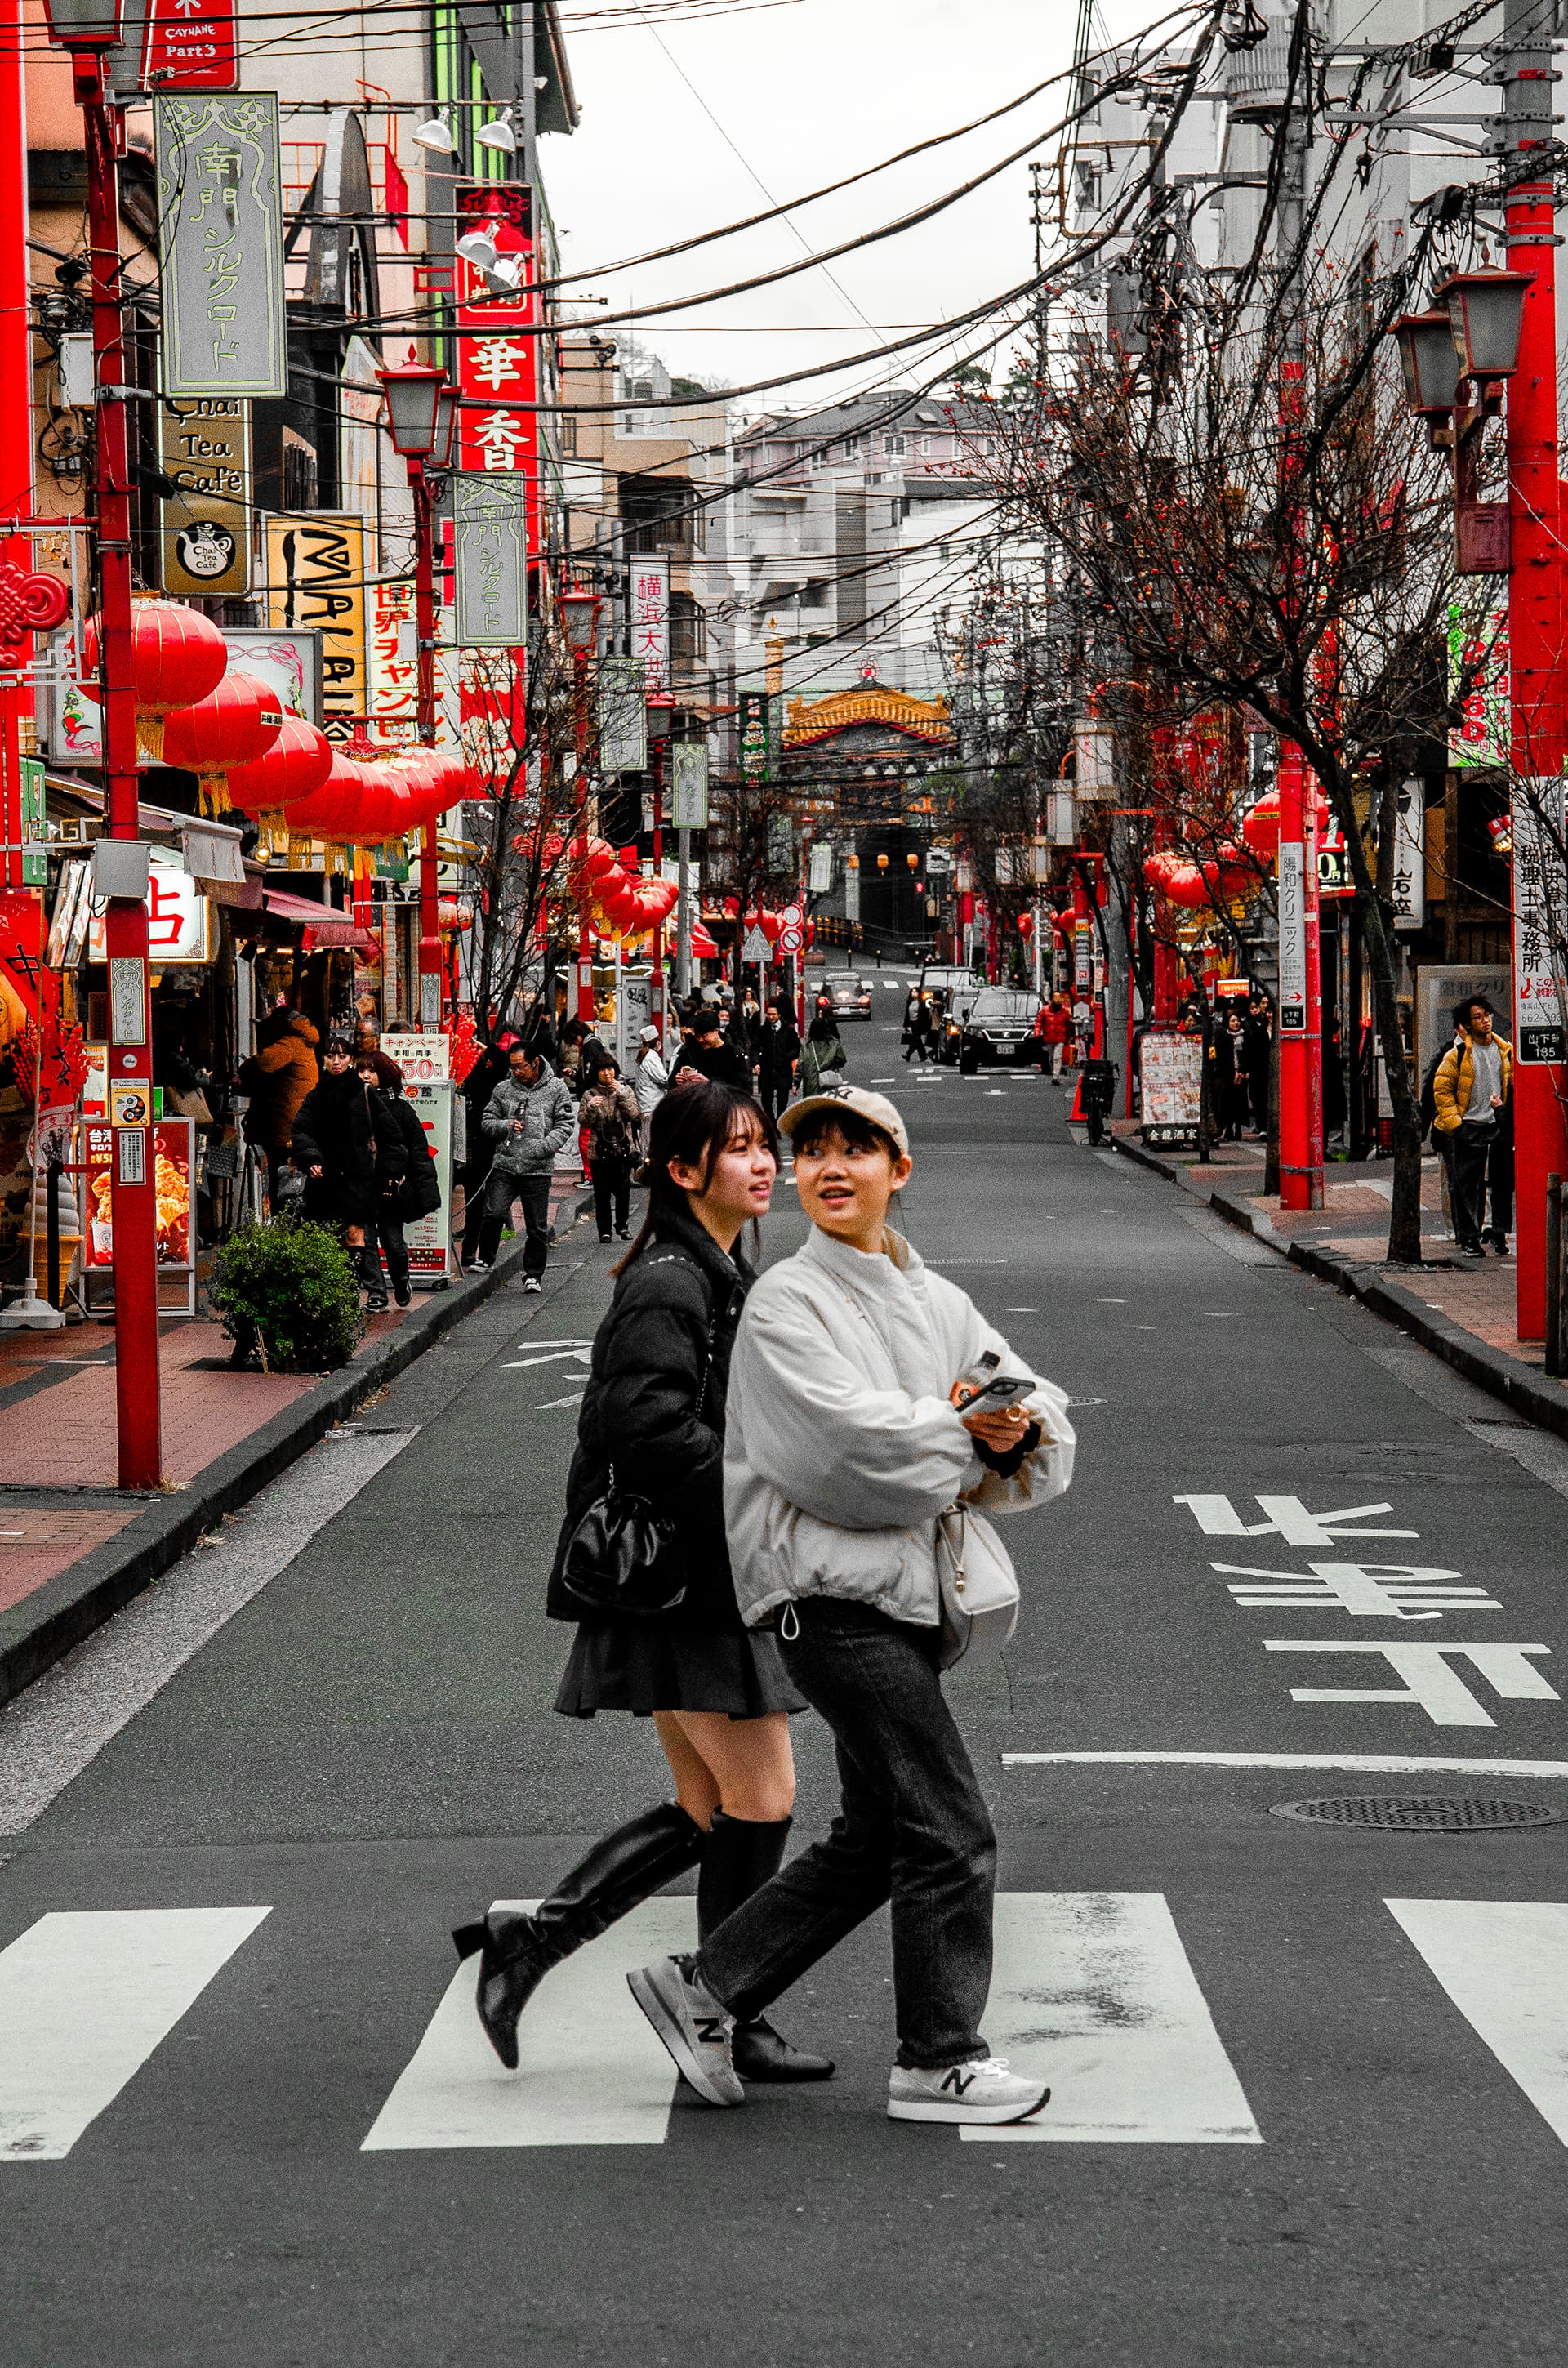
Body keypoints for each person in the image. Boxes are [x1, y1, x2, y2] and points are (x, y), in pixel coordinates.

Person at [627, 1085, 1075, 2124]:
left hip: (895, 1599)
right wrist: (968, 1434)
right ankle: (938, 2056)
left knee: (880, 1833)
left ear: (898, 1171)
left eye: (856, 1150)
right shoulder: (785, 1301)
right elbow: (844, 1451)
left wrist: (1013, 1428)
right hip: (828, 1599)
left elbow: (1034, 1403)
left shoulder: (939, 1301)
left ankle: (705, 1988)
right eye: (814, 1151)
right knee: (952, 1825)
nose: (831, 1168)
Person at [452, 1079, 830, 2086]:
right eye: (739, 1148)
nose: (763, 1164)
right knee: (766, 1793)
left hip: (682, 1574)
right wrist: (768, 1476)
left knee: (711, 1805)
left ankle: (542, 1949)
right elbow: (646, 1428)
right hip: (686, 1578)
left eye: (763, 1146)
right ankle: (717, 2003)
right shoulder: (674, 1278)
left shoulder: (710, 1266)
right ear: (680, 1168)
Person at [474, 1041, 577, 1290]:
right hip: (506, 1163)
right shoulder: (503, 1089)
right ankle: (486, 1257)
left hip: (537, 1168)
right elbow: (487, 1121)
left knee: (537, 1226)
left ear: (535, 1063)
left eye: (520, 1067)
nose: (516, 1072)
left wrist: (544, 1146)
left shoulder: (556, 1089)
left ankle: (533, 1274)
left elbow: (565, 1123)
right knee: (494, 1212)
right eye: (512, 1068)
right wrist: (505, 1125)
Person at [290, 1037, 381, 1298]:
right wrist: (312, 1159)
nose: (337, 1061)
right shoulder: (315, 1095)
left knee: (356, 1232)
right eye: (331, 1056)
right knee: (328, 1235)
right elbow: (300, 1131)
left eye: (342, 1056)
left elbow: (388, 1131)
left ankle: (351, 1288)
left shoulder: (364, 1093)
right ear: (323, 1061)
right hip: (325, 1178)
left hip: (358, 1176)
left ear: (351, 1060)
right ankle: (338, 1288)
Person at [1432, 995, 1514, 1258]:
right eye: (1477, 1017)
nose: (1485, 1021)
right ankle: (1470, 1238)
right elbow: (1441, 1090)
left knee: (1502, 1183)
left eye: (1487, 1015)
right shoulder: (1456, 1055)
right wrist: (1456, 1125)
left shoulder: (1507, 1051)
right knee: (1468, 1185)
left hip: (1497, 1124)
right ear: (1467, 1025)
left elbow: (1514, 1087)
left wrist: (1504, 1111)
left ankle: (1499, 1233)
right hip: (1469, 1125)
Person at [359, 1055, 440, 1308]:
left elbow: (418, 1152)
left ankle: (402, 1280)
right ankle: (376, 1293)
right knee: (367, 1242)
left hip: (391, 1188)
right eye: (361, 1070)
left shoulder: (402, 1110)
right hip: (361, 1188)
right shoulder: (351, 1107)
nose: (365, 1075)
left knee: (393, 1243)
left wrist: (423, 1190)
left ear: (385, 1075)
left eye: (371, 1071)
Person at [237, 1007, 319, 1201]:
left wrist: (244, 1068)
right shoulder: (304, 1041)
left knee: (282, 1174)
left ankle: (284, 1218)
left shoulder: (290, 1043)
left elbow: (262, 1063)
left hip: (287, 1124)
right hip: (298, 1120)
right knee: (288, 1173)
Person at [458, 1031, 519, 1271]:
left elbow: (503, 1063)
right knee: (472, 1200)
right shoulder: (454, 1076)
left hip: (482, 1145)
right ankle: (469, 1251)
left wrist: (487, 1049)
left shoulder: (485, 1077)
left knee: (482, 1201)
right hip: (457, 1146)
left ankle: (473, 1253)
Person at [580, 1054, 643, 1242]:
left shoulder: (625, 1090)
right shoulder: (589, 1094)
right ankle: (604, 1230)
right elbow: (584, 1122)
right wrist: (591, 1107)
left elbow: (633, 1114)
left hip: (623, 1149)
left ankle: (622, 1226)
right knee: (602, 1193)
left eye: (610, 1069)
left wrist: (622, 1094)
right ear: (596, 1073)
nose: (607, 1073)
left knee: (623, 1191)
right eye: (602, 1070)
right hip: (599, 1150)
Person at [673, 1009, 752, 1091]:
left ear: (716, 1031)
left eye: (704, 1036)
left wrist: (709, 1084)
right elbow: (672, 1082)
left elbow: (741, 1089)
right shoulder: (690, 1051)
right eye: (697, 1036)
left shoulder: (734, 1055)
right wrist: (679, 1081)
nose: (700, 1040)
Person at [755, 997, 800, 1124]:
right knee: (766, 1099)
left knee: (782, 1099)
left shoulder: (788, 1030)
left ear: (779, 1015)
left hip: (783, 1070)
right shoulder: (762, 1030)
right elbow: (755, 1047)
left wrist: (787, 1056)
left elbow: (797, 1048)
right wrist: (756, 1062)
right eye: (769, 1014)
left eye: (774, 1014)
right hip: (767, 1070)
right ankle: (771, 1121)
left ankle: (779, 1120)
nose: (771, 1017)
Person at [797, 1002, 847, 1098]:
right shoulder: (833, 1044)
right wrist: (833, 1066)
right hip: (829, 1081)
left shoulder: (807, 1046)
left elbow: (801, 1065)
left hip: (811, 1084)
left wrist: (796, 1083)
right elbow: (842, 1060)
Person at [1244, 997, 1272, 1137]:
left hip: (1275, 1071)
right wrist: (1247, 1069)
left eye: (1273, 1012)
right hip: (1260, 1070)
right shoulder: (1258, 1029)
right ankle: (1263, 1127)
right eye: (1268, 1012)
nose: (1271, 1015)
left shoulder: (1281, 1031)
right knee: (1260, 1099)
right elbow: (1250, 1050)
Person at [353, 1017, 404, 1093]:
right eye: (356, 1035)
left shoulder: (385, 1060)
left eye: (362, 1035)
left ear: (377, 1038)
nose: (357, 1039)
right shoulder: (349, 1058)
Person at [632, 1023, 670, 1122]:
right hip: (652, 1106)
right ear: (657, 1042)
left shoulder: (646, 1055)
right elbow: (663, 1079)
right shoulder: (650, 1057)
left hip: (648, 1106)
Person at [1036, 993, 1069, 1081]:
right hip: (1049, 1038)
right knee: (1051, 1058)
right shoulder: (1045, 1010)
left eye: (1059, 997)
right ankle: (1053, 1071)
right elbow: (1038, 1023)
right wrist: (1037, 1034)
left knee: (1057, 1057)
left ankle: (1056, 1077)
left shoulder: (1064, 1011)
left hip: (1060, 1037)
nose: (1058, 999)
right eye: (1056, 997)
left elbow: (1068, 1025)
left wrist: (1068, 1037)